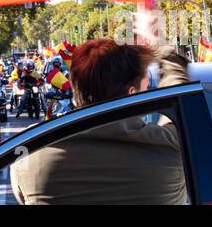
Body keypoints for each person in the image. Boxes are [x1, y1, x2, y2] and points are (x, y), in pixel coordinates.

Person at [11, 38, 190, 205]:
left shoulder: (31, 147)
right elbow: (182, 102)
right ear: (132, 94)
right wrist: (164, 51)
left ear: (75, 90)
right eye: (147, 85)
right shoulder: (172, 148)